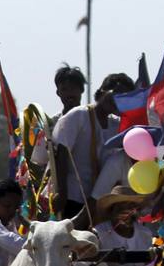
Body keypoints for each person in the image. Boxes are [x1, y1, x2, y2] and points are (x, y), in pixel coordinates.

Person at [50, 72, 134, 220]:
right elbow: (62, 152)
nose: (116, 101)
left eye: (123, 99)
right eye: (115, 94)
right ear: (103, 90)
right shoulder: (78, 116)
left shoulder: (117, 126)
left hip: (99, 201)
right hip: (72, 195)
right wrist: (62, 192)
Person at [93, 185, 155, 266]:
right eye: (120, 208)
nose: (125, 212)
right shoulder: (99, 233)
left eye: (129, 208)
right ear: (111, 211)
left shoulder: (145, 234)